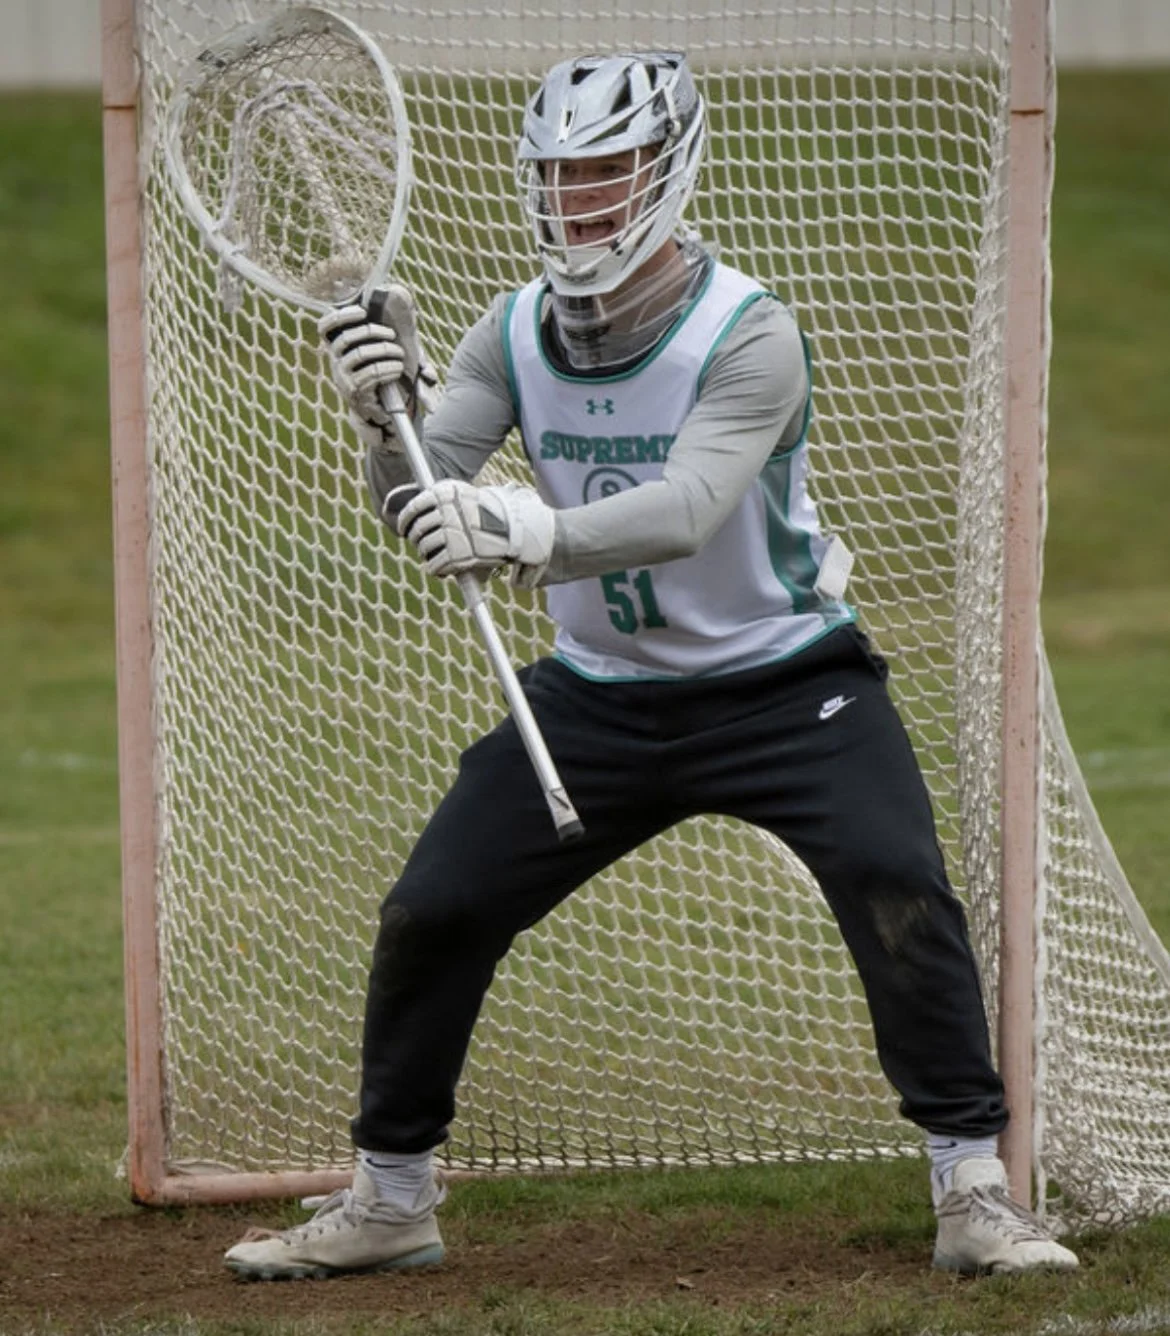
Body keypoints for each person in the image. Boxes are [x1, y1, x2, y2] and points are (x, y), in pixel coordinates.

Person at [224, 50, 1078, 1281]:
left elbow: (687, 506)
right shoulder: (510, 329)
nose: (581, 202)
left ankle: (972, 1188)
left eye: (608, 173)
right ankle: (391, 1198)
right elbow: (421, 504)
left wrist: (528, 529)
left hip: (787, 682)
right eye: (562, 178)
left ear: (668, 174)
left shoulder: (752, 332)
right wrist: (383, 416)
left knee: (898, 879)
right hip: (599, 697)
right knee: (435, 905)